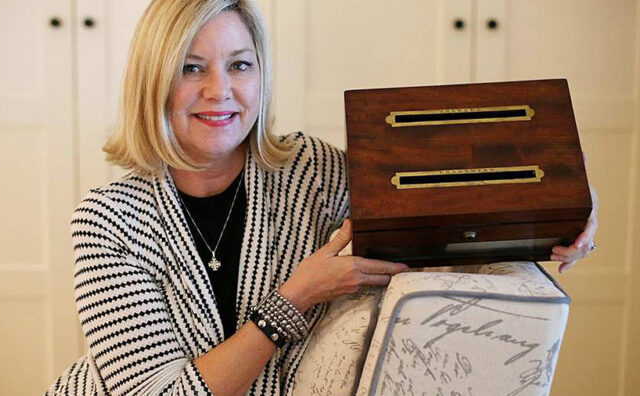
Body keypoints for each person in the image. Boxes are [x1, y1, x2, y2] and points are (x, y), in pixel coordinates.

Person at [45, 1, 598, 395]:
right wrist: (295, 299)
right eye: (192, 68)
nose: (221, 91)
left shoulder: (310, 170)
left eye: (241, 64)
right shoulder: (107, 221)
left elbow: (443, 195)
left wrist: (570, 204)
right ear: (154, 81)